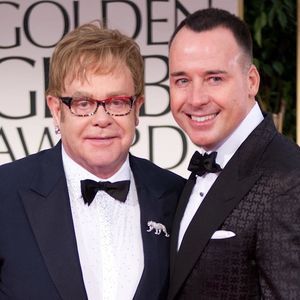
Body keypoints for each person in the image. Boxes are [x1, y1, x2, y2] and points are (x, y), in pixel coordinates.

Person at [0, 22, 185, 300]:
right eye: (83, 103)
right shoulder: (5, 193)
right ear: (55, 108)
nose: (102, 119)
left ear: (137, 109)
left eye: (118, 102)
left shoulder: (178, 196)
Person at [167, 7, 300, 300]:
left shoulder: (289, 179)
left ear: (251, 81)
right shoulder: (204, 165)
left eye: (214, 78)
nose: (196, 99)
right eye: (182, 80)